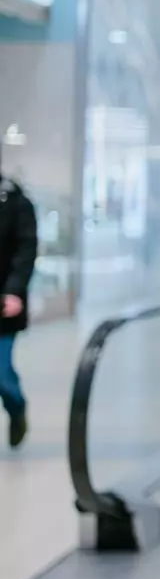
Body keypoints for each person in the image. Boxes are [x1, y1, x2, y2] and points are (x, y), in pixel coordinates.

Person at [0, 165, 37, 449]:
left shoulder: (15, 202)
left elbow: (26, 250)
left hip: (3, 304)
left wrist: (14, 292)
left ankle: (16, 407)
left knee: (1, 372)